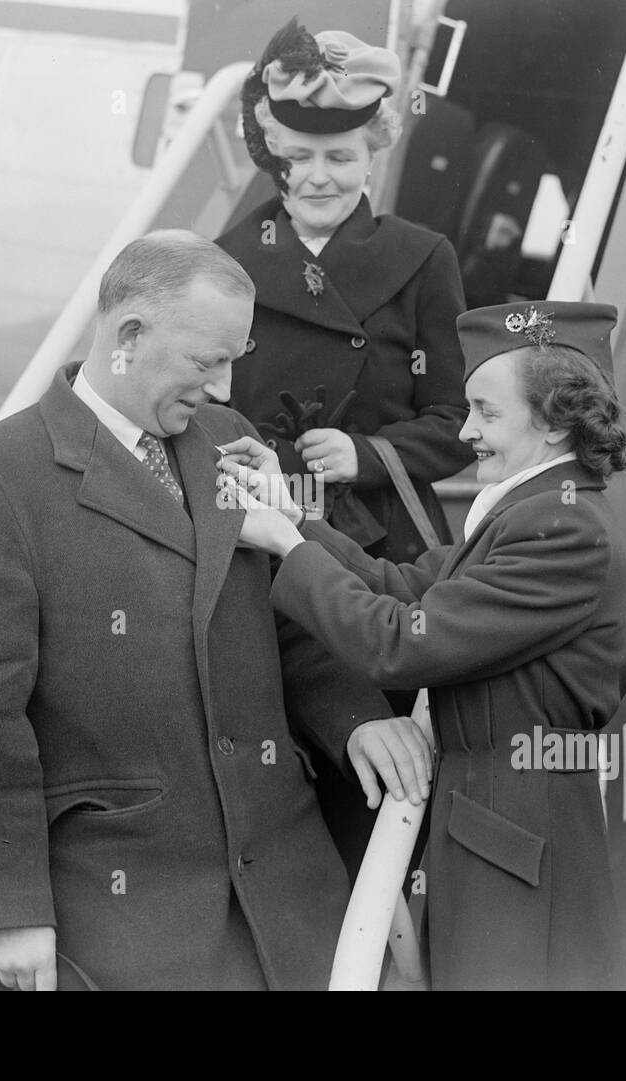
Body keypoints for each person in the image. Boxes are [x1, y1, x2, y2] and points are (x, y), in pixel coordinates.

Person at [0, 230, 433, 991]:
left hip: (287, 889)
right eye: (206, 361)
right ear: (129, 337)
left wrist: (356, 718)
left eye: (234, 361)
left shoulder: (228, 440)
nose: (224, 389)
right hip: (129, 907)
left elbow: (282, 621)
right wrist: (6, 907)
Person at [221, 300, 626, 990]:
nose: (467, 431)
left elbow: (400, 642)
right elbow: (405, 585)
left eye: (487, 412)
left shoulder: (561, 530)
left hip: (515, 835)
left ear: (558, 418)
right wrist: (294, 511)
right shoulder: (537, 509)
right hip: (498, 825)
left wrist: (284, 543)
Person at [216, 17, 475, 876]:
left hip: (378, 553)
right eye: (298, 157)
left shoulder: (422, 258)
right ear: (271, 155)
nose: (319, 176)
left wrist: (366, 454)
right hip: (261, 534)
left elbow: (454, 423)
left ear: (375, 154)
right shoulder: (226, 262)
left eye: (342, 157)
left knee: (381, 782)